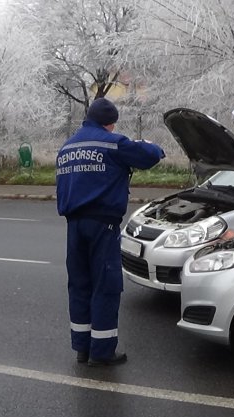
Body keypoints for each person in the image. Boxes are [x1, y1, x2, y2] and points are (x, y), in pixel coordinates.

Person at [56, 97, 165, 367]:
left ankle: (82, 348)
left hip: (74, 226)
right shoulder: (113, 143)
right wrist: (150, 145)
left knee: (80, 284)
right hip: (102, 225)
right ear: (110, 123)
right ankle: (103, 351)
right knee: (106, 285)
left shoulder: (67, 147)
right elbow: (150, 157)